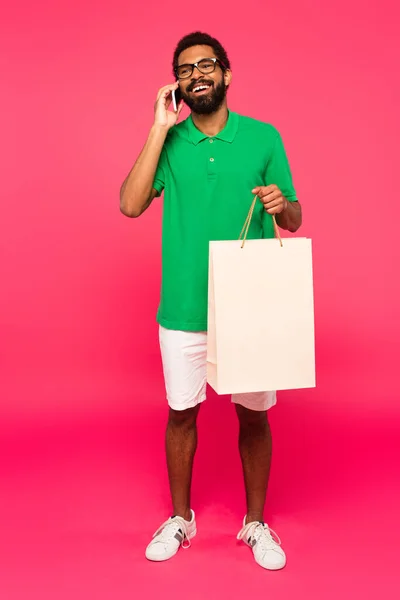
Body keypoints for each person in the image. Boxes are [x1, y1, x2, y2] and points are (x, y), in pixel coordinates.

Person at [120, 31, 302, 571]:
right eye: (185, 68)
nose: (196, 73)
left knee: (254, 417)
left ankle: (255, 523)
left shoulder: (264, 138)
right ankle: (182, 518)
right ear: (177, 83)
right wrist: (157, 128)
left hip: (250, 306)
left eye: (206, 64)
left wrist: (280, 203)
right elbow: (130, 204)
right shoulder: (170, 143)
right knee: (181, 414)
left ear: (226, 72)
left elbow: (293, 218)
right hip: (183, 306)